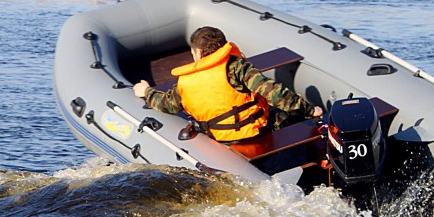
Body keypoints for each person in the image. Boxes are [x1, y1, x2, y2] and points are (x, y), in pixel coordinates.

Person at [132, 26, 323, 144]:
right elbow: (274, 93)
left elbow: (167, 105)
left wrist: (146, 91)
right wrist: (309, 111)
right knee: (286, 114)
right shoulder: (237, 67)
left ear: (198, 53)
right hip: (255, 131)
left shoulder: (185, 81)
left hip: (221, 137)